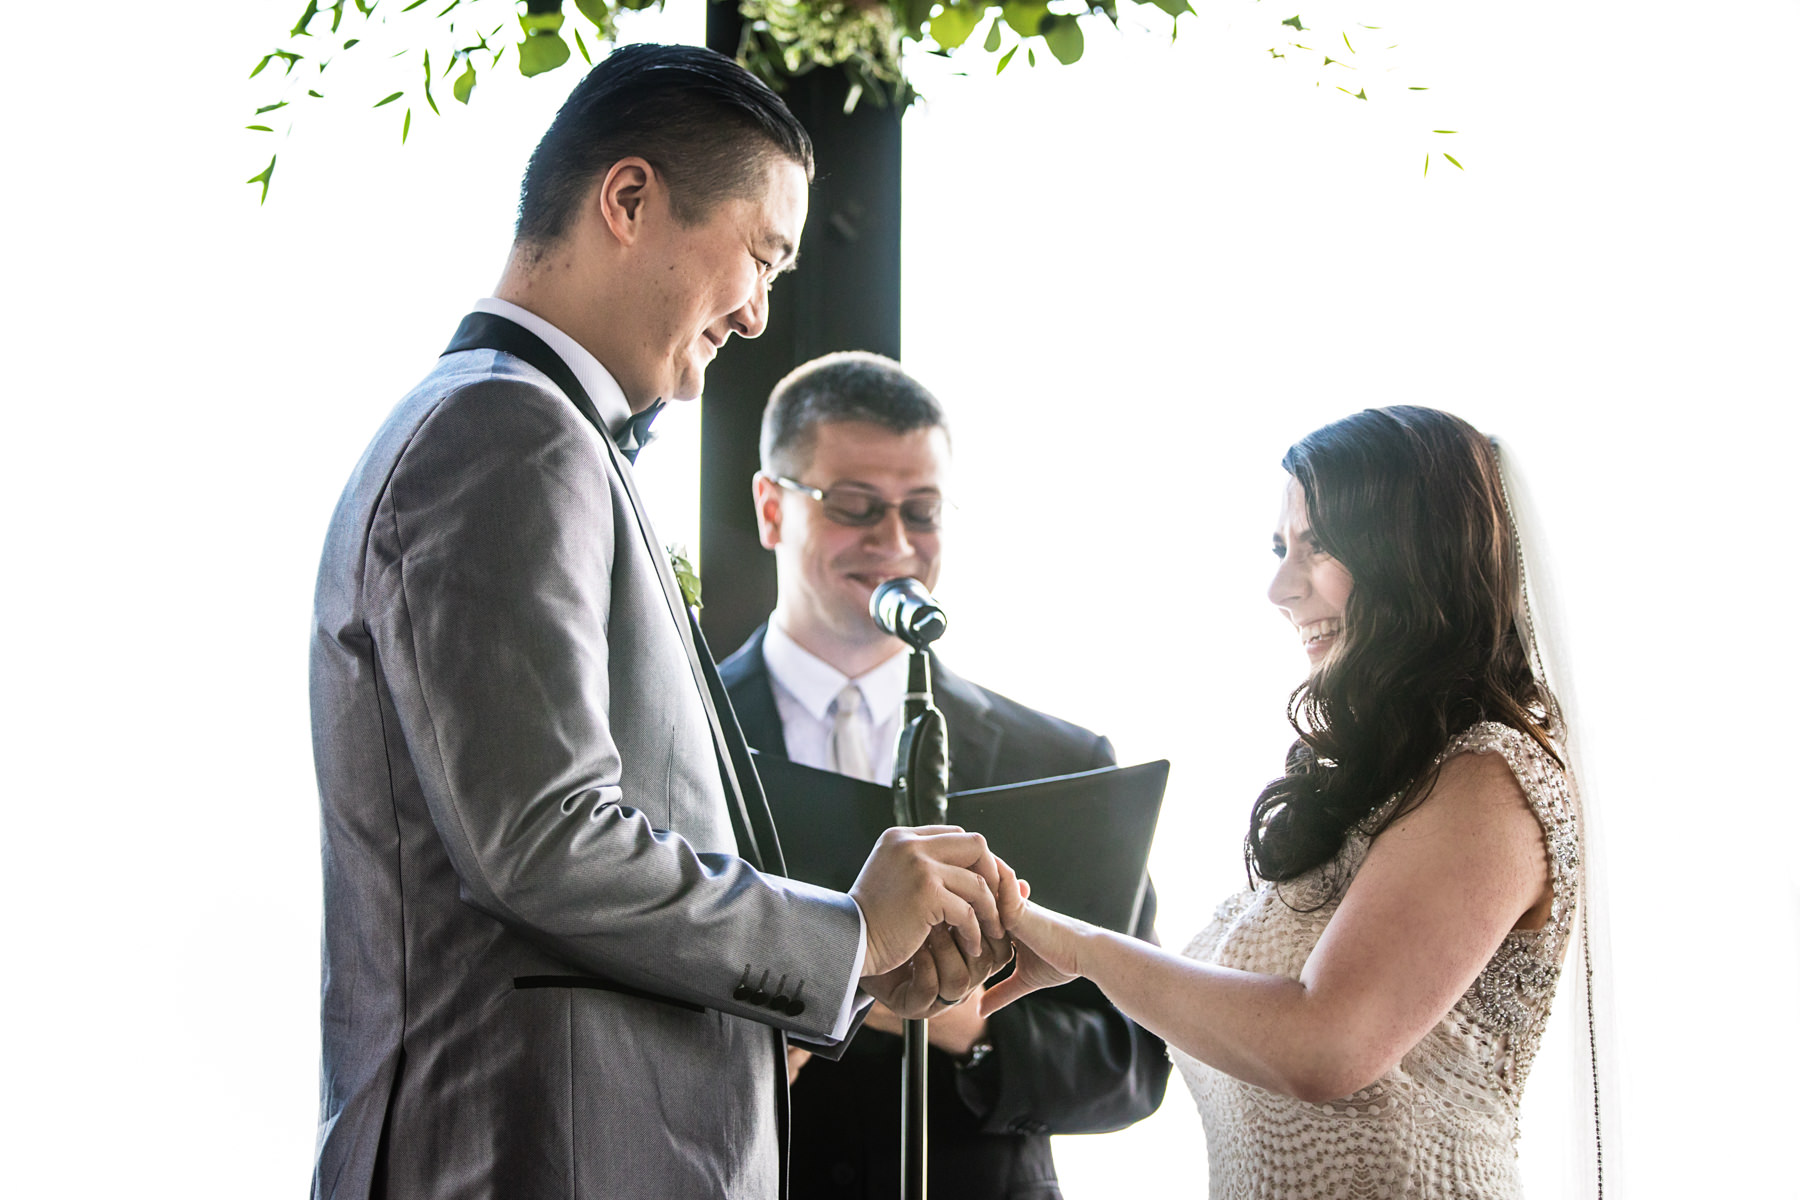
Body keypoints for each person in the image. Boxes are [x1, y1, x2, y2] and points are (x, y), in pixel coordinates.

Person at [309, 46, 1011, 1200]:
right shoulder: (506, 431)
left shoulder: (510, 426)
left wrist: (863, 974)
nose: (761, 310)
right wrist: (847, 936)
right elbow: (543, 839)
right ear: (629, 200)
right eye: (760, 255)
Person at [982, 406, 1586, 1199]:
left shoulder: (1488, 780)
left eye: (1318, 546)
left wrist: (1087, 950)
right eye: (1279, 547)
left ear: (1415, 555)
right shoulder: (1382, 781)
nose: (1279, 587)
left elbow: (1323, 1046)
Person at [718, 351, 1170, 1200]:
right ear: (772, 509)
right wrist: (833, 983)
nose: (894, 544)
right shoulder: (686, 740)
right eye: (855, 507)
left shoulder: (1064, 762)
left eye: (921, 511)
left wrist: (969, 1027)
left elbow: (1131, 1064)